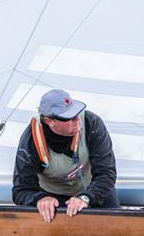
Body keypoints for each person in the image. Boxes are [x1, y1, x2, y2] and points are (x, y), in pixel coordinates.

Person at [12, 89, 119, 222]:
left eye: (77, 112)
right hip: (54, 199)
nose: (77, 120)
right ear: (49, 121)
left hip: (97, 190)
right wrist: (40, 198)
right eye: (69, 117)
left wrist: (85, 198)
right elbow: (21, 191)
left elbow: (107, 174)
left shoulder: (92, 124)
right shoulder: (30, 141)